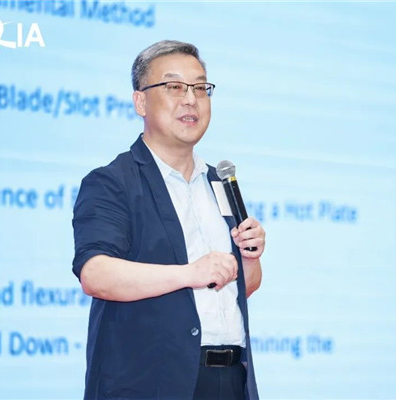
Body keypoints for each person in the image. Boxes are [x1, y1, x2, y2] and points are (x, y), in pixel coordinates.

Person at [72, 40, 265, 400]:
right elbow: (95, 274)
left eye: (200, 88)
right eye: (175, 86)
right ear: (141, 102)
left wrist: (249, 258)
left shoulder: (219, 183)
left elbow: (240, 288)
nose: (191, 99)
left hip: (230, 381)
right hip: (152, 385)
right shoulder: (113, 182)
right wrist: (190, 274)